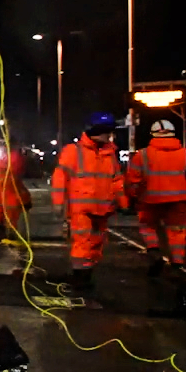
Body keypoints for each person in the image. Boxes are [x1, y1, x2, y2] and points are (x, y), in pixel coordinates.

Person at [51, 116, 127, 289]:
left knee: (96, 243)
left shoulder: (109, 154)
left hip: (103, 208)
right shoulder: (74, 151)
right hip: (82, 208)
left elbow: (116, 180)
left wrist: (123, 202)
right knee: (83, 242)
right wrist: (58, 203)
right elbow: (60, 178)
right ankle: (80, 277)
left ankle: (85, 274)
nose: (110, 136)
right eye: (107, 132)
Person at [126, 118, 186, 275]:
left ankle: (154, 251)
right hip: (178, 201)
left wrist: (132, 197)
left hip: (150, 200)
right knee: (177, 231)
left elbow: (132, 181)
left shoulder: (142, 155)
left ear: (153, 135)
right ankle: (177, 264)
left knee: (147, 226)